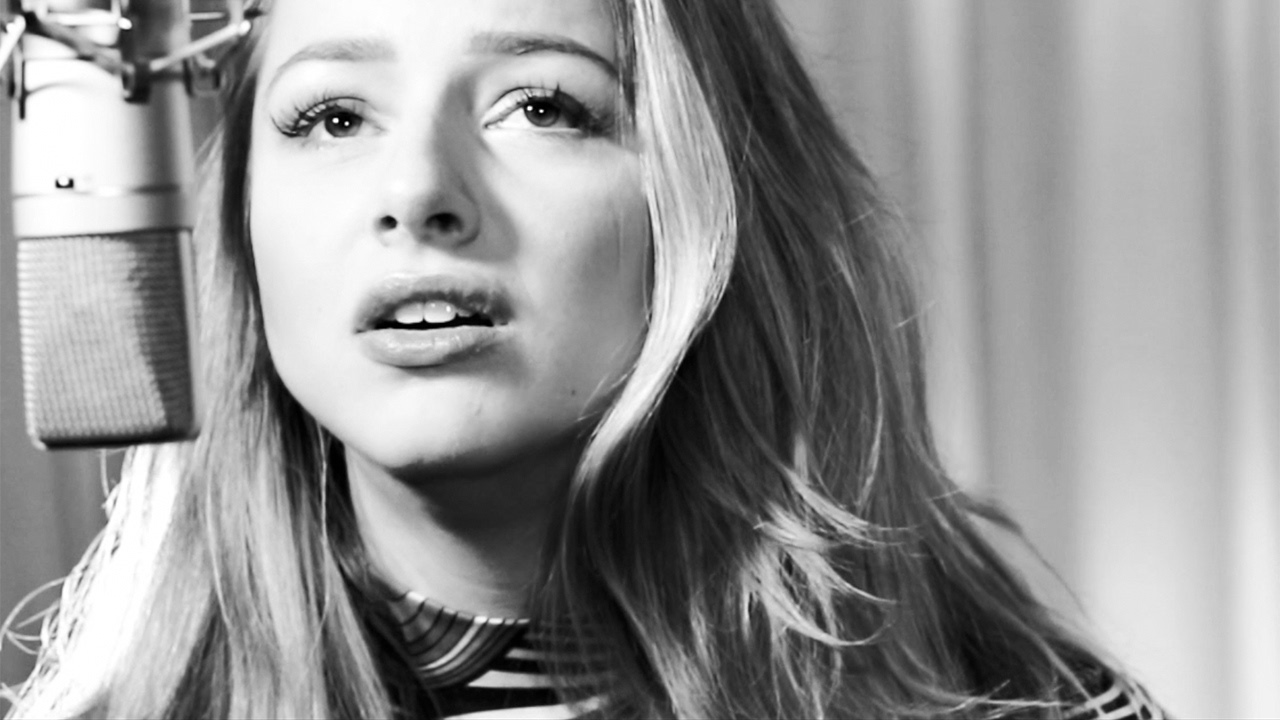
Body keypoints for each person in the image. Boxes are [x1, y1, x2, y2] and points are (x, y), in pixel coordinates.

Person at [4, 0, 1166, 717]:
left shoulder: (1030, 709)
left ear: (703, 198)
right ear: (238, 225)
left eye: (542, 106)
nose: (417, 192)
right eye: (333, 117)